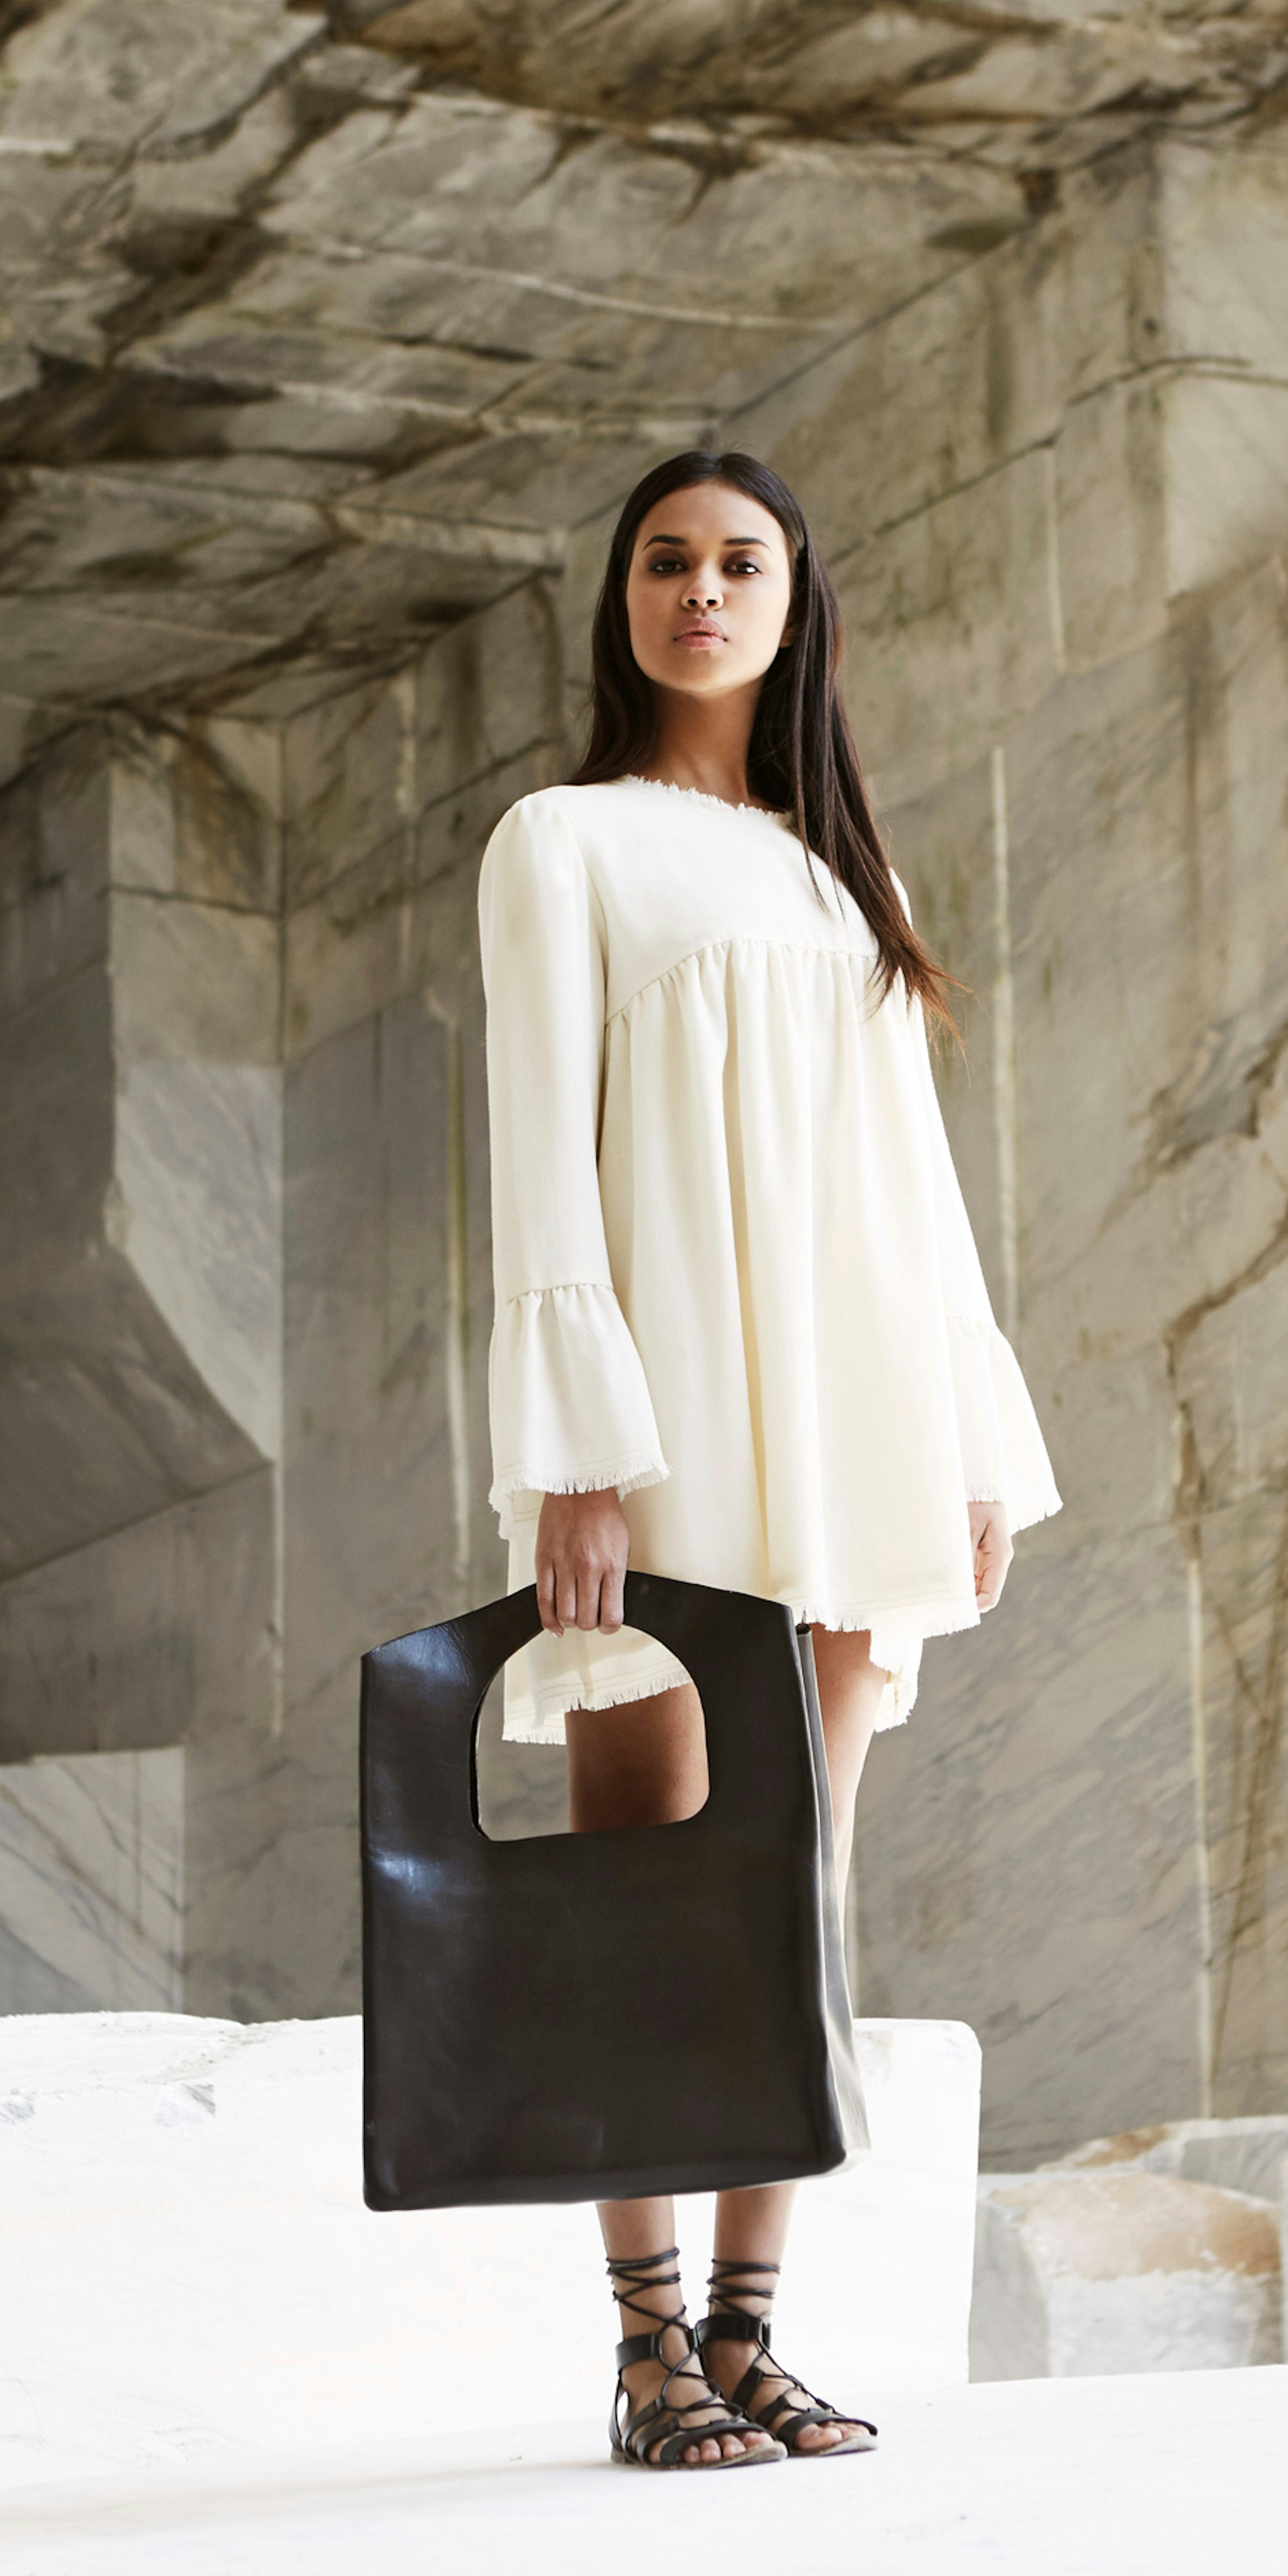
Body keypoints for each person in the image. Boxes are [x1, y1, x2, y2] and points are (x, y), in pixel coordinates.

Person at [477, 449, 1059, 2471]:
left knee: (795, 1892)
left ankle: (749, 2335)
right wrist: (576, 1462)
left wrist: (972, 1431)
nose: (704, 591)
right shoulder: (560, 843)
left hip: (863, 1418)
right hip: (674, 1431)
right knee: (655, 1881)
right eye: (667, 559)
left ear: (797, 599)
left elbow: (923, 1197)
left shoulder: (848, 879)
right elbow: (540, 1168)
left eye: (742, 561)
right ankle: (642, 2350)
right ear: (622, 598)